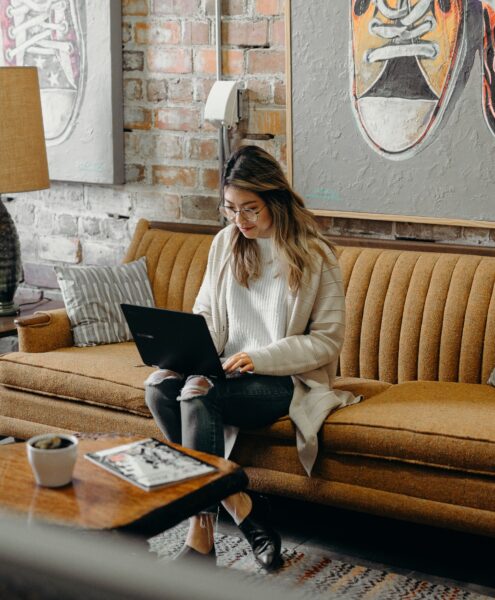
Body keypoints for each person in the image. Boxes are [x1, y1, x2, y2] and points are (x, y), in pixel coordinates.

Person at [145, 145, 360, 570]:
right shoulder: (226, 243)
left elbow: (327, 341)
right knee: (159, 386)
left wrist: (258, 357)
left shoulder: (315, 255)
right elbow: (206, 312)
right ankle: (241, 502)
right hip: (224, 367)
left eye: (250, 209)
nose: (239, 221)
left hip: (282, 379)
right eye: (230, 209)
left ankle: (200, 537)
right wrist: (187, 351)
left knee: (196, 395)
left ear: (275, 200)